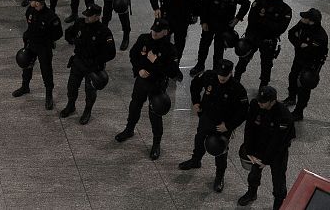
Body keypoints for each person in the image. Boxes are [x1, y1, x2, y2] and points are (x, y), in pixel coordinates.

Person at [179, 59, 249, 194]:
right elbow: (195, 84)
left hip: (222, 125)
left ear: (231, 73)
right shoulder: (209, 76)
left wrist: (228, 126)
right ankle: (196, 160)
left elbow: (243, 112)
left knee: (220, 149)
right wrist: (196, 102)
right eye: (220, 74)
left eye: (225, 75)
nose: (222, 78)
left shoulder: (237, 89)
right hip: (207, 117)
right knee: (199, 139)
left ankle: (219, 176)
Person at [115, 19, 179, 160]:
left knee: (155, 114)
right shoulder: (144, 39)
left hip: (157, 84)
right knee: (135, 105)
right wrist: (138, 70)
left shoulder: (170, 49)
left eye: (157, 31)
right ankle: (129, 129)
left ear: (165, 32)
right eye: (153, 30)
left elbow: (173, 72)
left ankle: (156, 143)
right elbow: (133, 55)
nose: (154, 33)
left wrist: (155, 61)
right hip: (142, 80)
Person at [237, 86, 295, 209]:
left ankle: (278, 205)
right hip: (260, 145)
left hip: (278, 151)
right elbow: (249, 128)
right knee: (253, 175)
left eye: (263, 101)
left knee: (279, 181)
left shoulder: (284, 116)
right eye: (259, 100)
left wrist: (266, 160)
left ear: (273, 101)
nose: (259, 103)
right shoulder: (255, 105)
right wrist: (249, 151)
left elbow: (278, 142)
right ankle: (251, 193)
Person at [61, 4, 116, 124]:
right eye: (86, 15)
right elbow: (68, 33)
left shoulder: (104, 32)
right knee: (72, 86)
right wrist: (72, 40)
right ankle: (71, 105)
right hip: (78, 61)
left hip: (93, 66)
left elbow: (111, 53)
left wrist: (97, 61)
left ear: (97, 17)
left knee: (90, 90)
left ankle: (87, 110)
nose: (86, 18)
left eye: (89, 16)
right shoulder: (80, 23)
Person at [234, 0, 292, 91]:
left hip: (268, 41)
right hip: (252, 37)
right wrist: (268, 23)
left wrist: (263, 21)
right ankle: (236, 79)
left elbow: (280, 28)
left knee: (266, 65)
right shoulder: (260, 0)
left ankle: (263, 85)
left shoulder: (285, 10)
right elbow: (252, 19)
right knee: (243, 59)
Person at [13, 0, 64, 110]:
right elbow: (29, 24)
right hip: (31, 43)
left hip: (43, 47)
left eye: (32, 0)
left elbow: (59, 34)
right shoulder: (30, 10)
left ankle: (48, 95)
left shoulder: (51, 17)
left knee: (46, 70)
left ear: (37, 2)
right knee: (26, 65)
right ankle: (25, 86)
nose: (29, 1)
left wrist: (46, 38)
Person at [149, 0, 201, 81]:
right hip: (167, 19)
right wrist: (156, 8)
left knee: (179, 45)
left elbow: (196, 2)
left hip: (183, 21)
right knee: (161, 42)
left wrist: (196, 15)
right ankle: (158, 66)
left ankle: (175, 68)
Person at [192, 0, 250, 76]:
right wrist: (203, 21)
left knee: (219, 49)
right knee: (204, 45)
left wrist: (238, 18)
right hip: (210, 23)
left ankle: (216, 69)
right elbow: (204, 7)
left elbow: (246, 3)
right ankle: (200, 65)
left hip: (225, 25)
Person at [284, 8, 327, 121]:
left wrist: (304, 45)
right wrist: (299, 44)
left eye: (305, 17)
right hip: (299, 58)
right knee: (292, 77)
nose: (302, 18)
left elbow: (311, 51)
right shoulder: (302, 24)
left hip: (311, 64)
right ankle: (291, 97)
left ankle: (299, 112)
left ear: (311, 20)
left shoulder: (320, 36)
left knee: (304, 85)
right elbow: (291, 33)